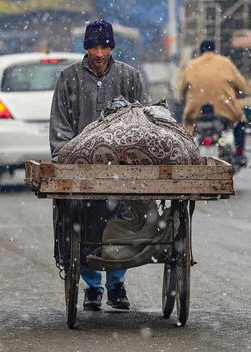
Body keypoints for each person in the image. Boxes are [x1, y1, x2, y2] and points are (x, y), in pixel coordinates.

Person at [49, 19, 147, 312]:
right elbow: (60, 126)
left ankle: (117, 284)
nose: (99, 53)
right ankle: (92, 287)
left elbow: (144, 120)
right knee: (81, 224)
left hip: (122, 171)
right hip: (83, 173)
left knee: (123, 221)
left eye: (104, 46)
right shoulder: (68, 79)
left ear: (112, 47)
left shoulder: (130, 77)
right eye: (93, 46)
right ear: (86, 48)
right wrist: (68, 158)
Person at [177, 40, 251, 164]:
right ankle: (240, 154)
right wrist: (240, 93)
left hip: (196, 113)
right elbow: (242, 88)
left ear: (200, 52)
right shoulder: (226, 63)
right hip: (224, 111)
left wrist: (184, 99)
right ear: (214, 51)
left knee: (185, 130)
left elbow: (180, 92)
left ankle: (183, 156)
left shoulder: (191, 65)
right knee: (240, 122)